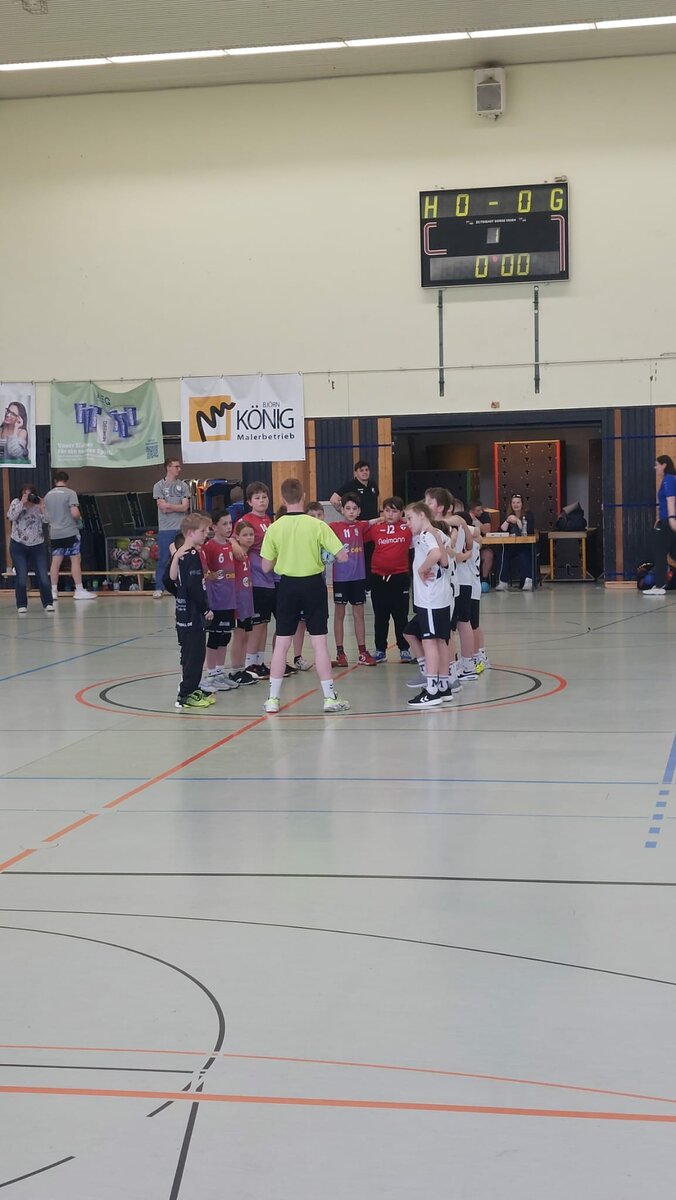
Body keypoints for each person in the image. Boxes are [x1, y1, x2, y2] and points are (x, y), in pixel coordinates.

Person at [260, 477, 350, 714]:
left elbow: (266, 567)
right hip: (313, 585)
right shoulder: (317, 525)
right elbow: (343, 556)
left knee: (282, 643)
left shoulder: (274, 527)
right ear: (303, 496)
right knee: (319, 643)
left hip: (287, 586)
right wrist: (324, 555)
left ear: (282, 499)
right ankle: (329, 697)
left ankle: (273, 699)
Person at [402, 501, 453, 708]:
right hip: (441, 597)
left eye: (409, 518)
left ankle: (432, 690)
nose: (407, 522)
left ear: (422, 515)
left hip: (430, 599)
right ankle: (443, 685)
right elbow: (445, 562)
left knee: (430, 641)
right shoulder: (436, 534)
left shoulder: (425, 536)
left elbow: (437, 555)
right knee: (439, 641)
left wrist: (422, 569)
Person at [169, 513, 215, 710]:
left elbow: (168, 579)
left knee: (189, 652)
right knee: (195, 654)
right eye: (202, 531)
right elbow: (194, 586)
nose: (206, 534)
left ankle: (192, 688)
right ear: (190, 533)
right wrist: (205, 609)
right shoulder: (193, 555)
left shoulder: (179, 553)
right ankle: (186, 694)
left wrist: (180, 596)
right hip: (193, 613)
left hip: (183, 612)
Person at [329, 494, 377, 667]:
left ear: (359, 511)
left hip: (358, 577)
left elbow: (374, 521)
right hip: (340, 578)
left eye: (354, 509)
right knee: (339, 614)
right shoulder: (334, 526)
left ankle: (362, 652)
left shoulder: (361, 525)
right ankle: (340, 653)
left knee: (359, 614)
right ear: (342, 510)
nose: (351, 512)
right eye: (348, 508)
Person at [364, 496, 413, 662]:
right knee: (380, 616)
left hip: (400, 577)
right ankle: (380, 649)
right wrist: (373, 521)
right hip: (378, 577)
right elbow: (358, 532)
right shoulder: (376, 528)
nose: (390, 514)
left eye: (394, 511)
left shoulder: (408, 528)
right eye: (387, 511)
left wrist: (408, 519)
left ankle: (404, 649)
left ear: (401, 513)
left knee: (401, 616)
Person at [201, 512, 239, 691]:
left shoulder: (231, 545)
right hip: (216, 600)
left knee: (225, 637)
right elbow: (204, 569)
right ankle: (211, 675)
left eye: (230, 523)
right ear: (214, 527)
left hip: (229, 599)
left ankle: (220, 672)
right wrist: (211, 575)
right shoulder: (210, 546)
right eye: (224, 524)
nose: (229, 527)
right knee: (215, 637)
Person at [43, 471, 95, 601]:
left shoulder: (48, 495)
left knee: (56, 561)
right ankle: (79, 589)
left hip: (55, 533)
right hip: (70, 532)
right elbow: (75, 513)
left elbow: (46, 516)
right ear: (67, 480)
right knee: (75, 559)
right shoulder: (70, 493)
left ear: (55, 481)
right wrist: (79, 520)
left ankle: (53, 591)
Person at [242, 481, 276, 678]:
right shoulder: (246, 521)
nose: (262, 501)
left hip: (268, 577)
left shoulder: (268, 520)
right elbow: (237, 544)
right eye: (257, 498)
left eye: (264, 497)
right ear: (249, 502)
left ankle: (260, 662)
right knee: (257, 624)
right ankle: (249, 664)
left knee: (264, 623)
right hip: (255, 578)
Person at [7, 483, 54, 613]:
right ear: (21, 494)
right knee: (21, 575)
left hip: (37, 545)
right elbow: (11, 516)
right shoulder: (16, 502)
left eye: (30, 494)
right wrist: (22, 503)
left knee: (43, 575)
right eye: (25, 493)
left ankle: (48, 603)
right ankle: (21, 604)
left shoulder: (37, 504)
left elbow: (48, 520)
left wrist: (42, 506)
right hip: (18, 545)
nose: (28, 496)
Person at [152, 458, 190, 598]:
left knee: (184, 557)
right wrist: (176, 507)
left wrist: (169, 506)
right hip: (166, 528)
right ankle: (159, 587)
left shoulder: (183, 486)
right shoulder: (159, 486)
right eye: (176, 466)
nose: (179, 469)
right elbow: (162, 508)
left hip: (181, 528)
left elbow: (185, 507)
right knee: (164, 558)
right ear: (168, 467)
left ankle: (183, 586)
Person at [227, 519, 259, 685]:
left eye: (251, 534)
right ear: (237, 537)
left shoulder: (247, 555)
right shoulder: (235, 555)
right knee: (239, 636)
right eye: (245, 535)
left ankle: (242, 669)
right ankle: (235, 670)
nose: (249, 537)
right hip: (238, 602)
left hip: (247, 602)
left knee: (246, 635)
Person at [644, 454, 676, 596]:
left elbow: (671, 500)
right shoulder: (670, 479)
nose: (655, 467)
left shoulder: (668, 479)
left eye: (657, 464)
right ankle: (660, 584)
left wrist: (671, 518)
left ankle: (660, 585)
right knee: (673, 553)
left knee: (659, 551)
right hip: (665, 520)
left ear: (664, 465)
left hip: (668, 521)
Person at [495, 493, 535, 590]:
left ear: (522, 504)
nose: (515, 505)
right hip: (512, 546)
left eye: (518, 502)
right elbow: (500, 532)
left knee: (525, 553)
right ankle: (503, 581)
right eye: (513, 503)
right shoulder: (508, 515)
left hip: (526, 545)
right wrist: (507, 521)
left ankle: (528, 580)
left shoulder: (528, 515)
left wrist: (517, 520)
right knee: (503, 553)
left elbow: (528, 531)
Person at [468, 498, 494, 583]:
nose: (481, 512)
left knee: (488, 554)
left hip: (481, 546)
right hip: (468, 547)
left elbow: (486, 531)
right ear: (471, 511)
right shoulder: (465, 517)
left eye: (481, 509)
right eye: (478, 511)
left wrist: (475, 520)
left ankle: (484, 579)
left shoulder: (484, 515)